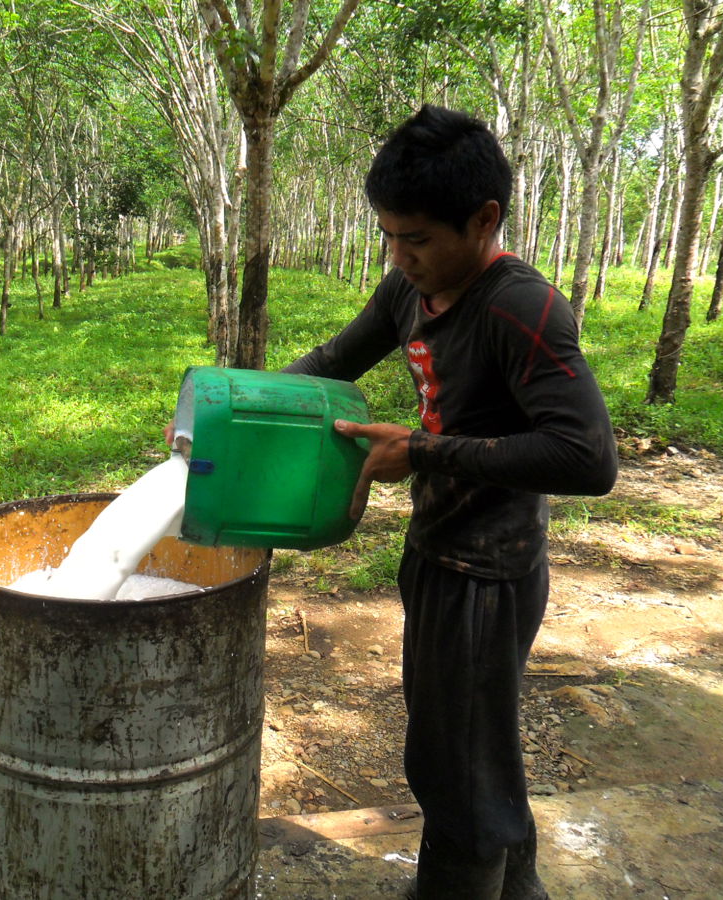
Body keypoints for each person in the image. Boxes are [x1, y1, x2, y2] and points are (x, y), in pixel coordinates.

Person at [280, 106, 618, 899]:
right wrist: (231, 404)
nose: (400, 257)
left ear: (484, 219)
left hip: (490, 575)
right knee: (477, 751)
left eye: (419, 240)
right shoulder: (407, 289)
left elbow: (587, 456)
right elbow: (337, 356)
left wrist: (423, 450)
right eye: (390, 237)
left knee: (456, 772)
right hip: (437, 553)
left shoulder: (520, 308)